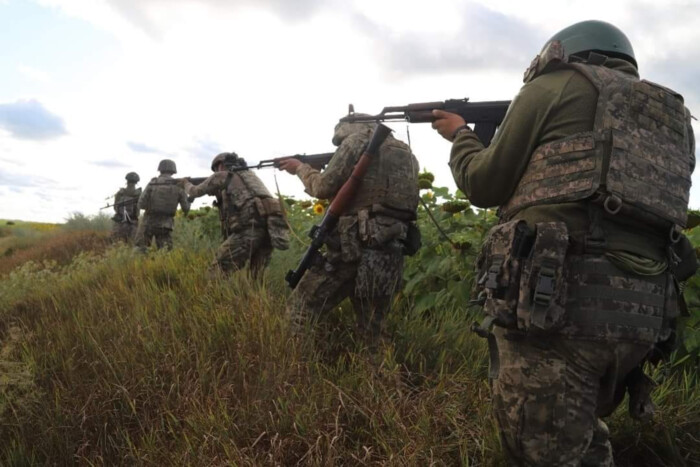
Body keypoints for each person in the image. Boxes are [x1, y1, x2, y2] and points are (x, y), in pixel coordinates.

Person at [432, 20, 695, 466]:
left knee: (539, 450)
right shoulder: (672, 117)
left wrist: (461, 135)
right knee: (580, 439)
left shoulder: (553, 85)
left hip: (557, 304)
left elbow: (484, 184)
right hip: (643, 315)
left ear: (564, 51)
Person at [278, 118, 421, 351]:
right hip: (389, 249)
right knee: (374, 332)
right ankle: (384, 384)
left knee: (300, 311)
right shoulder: (407, 153)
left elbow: (322, 188)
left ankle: (292, 376)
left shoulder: (356, 141)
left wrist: (300, 168)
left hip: (352, 246)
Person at [181, 152, 289, 277]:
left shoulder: (222, 176)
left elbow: (195, 191)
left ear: (220, 165)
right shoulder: (250, 176)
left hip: (249, 230)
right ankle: (255, 297)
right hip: (270, 231)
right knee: (256, 277)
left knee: (217, 270)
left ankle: (213, 296)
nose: (216, 172)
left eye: (216, 169)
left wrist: (185, 183)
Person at [135, 159, 189, 251]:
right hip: (166, 225)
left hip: (148, 222)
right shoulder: (179, 186)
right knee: (165, 254)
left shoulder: (153, 183)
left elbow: (141, 203)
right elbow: (186, 209)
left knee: (140, 250)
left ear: (160, 169)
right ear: (173, 170)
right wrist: (191, 199)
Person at [110, 172, 141, 243]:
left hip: (120, 222)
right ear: (136, 182)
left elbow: (115, 207)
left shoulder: (120, 193)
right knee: (133, 244)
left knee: (116, 244)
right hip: (133, 223)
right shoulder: (139, 194)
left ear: (126, 181)